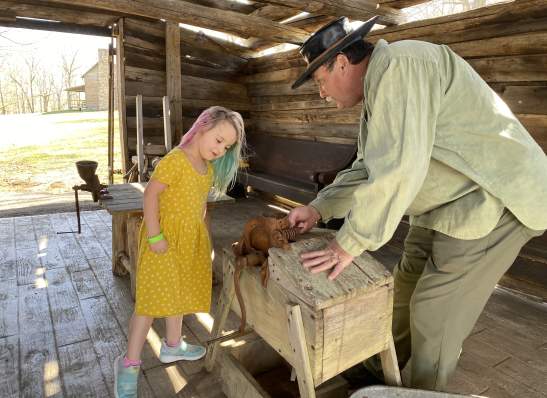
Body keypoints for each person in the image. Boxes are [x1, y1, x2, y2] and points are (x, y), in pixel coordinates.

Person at [287, 16, 547, 391]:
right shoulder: (380, 88)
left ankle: (423, 390)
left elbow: (398, 168)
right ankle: (380, 374)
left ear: (341, 63)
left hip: (493, 198)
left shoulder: (404, 66)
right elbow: (368, 168)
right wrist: (319, 208)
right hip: (445, 203)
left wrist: (349, 243)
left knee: (435, 309)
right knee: (404, 289)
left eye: (319, 81)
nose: (321, 94)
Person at [114, 106, 246, 398]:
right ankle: (129, 364)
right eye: (218, 139)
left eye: (227, 146)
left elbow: (199, 205)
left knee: (180, 292)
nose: (220, 149)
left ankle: (173, 346)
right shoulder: (175, 160)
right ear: (203, 126)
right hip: (163, 239)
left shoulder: (207, 168)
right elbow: (150, 195)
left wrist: (203, 239)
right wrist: (154, 235)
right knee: (148, 305)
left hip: (189, 241)